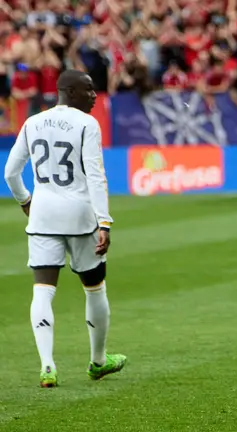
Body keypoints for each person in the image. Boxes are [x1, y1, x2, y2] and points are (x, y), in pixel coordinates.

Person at [3, 70, 127, 388]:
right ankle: (98, 361)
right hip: (80, 214)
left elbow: (11, 172)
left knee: (42, 290)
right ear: (69, 91)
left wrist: (25, 202)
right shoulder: (87, 124)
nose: (94, 95)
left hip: (42, 215)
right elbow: (96, 174)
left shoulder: (32, 122)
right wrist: (104, 220)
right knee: (94, 286)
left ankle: (47, 366)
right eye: (88, 89)